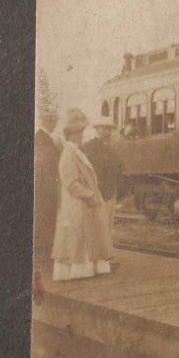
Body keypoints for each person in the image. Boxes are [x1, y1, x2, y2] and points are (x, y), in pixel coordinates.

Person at [50, 108, 111, 281]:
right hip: (76, 205)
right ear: (73, 135)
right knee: (77, 240)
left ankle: (84, 268)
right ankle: (77, 269)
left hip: (81, 205)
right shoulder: (69, 154)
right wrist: (90, 194)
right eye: (79, 133)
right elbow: (71, 184)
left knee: (83, 238)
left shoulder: (75, 152)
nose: (82, 136)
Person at [81, 109, 124, 267]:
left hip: (110, 192)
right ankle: (97, 260)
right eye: (105, 129)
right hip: (100, 193)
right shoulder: (91, 147)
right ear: (97, 129)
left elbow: (119, 166)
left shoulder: (108, 147)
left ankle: (103, 259)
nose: (108, 132)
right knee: (99, 227)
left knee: (106, 226)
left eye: (110, 129)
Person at [32, 104, 61, 283]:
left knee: (48, 221)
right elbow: (41, 165)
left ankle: (46, 258)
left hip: (48, 187)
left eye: (55, 120)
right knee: (45, 222)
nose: (55, 123)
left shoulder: (46, 138)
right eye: (53, 120)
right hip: (45, 189)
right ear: (46, 121)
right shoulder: (41, 138)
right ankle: (44, 260)